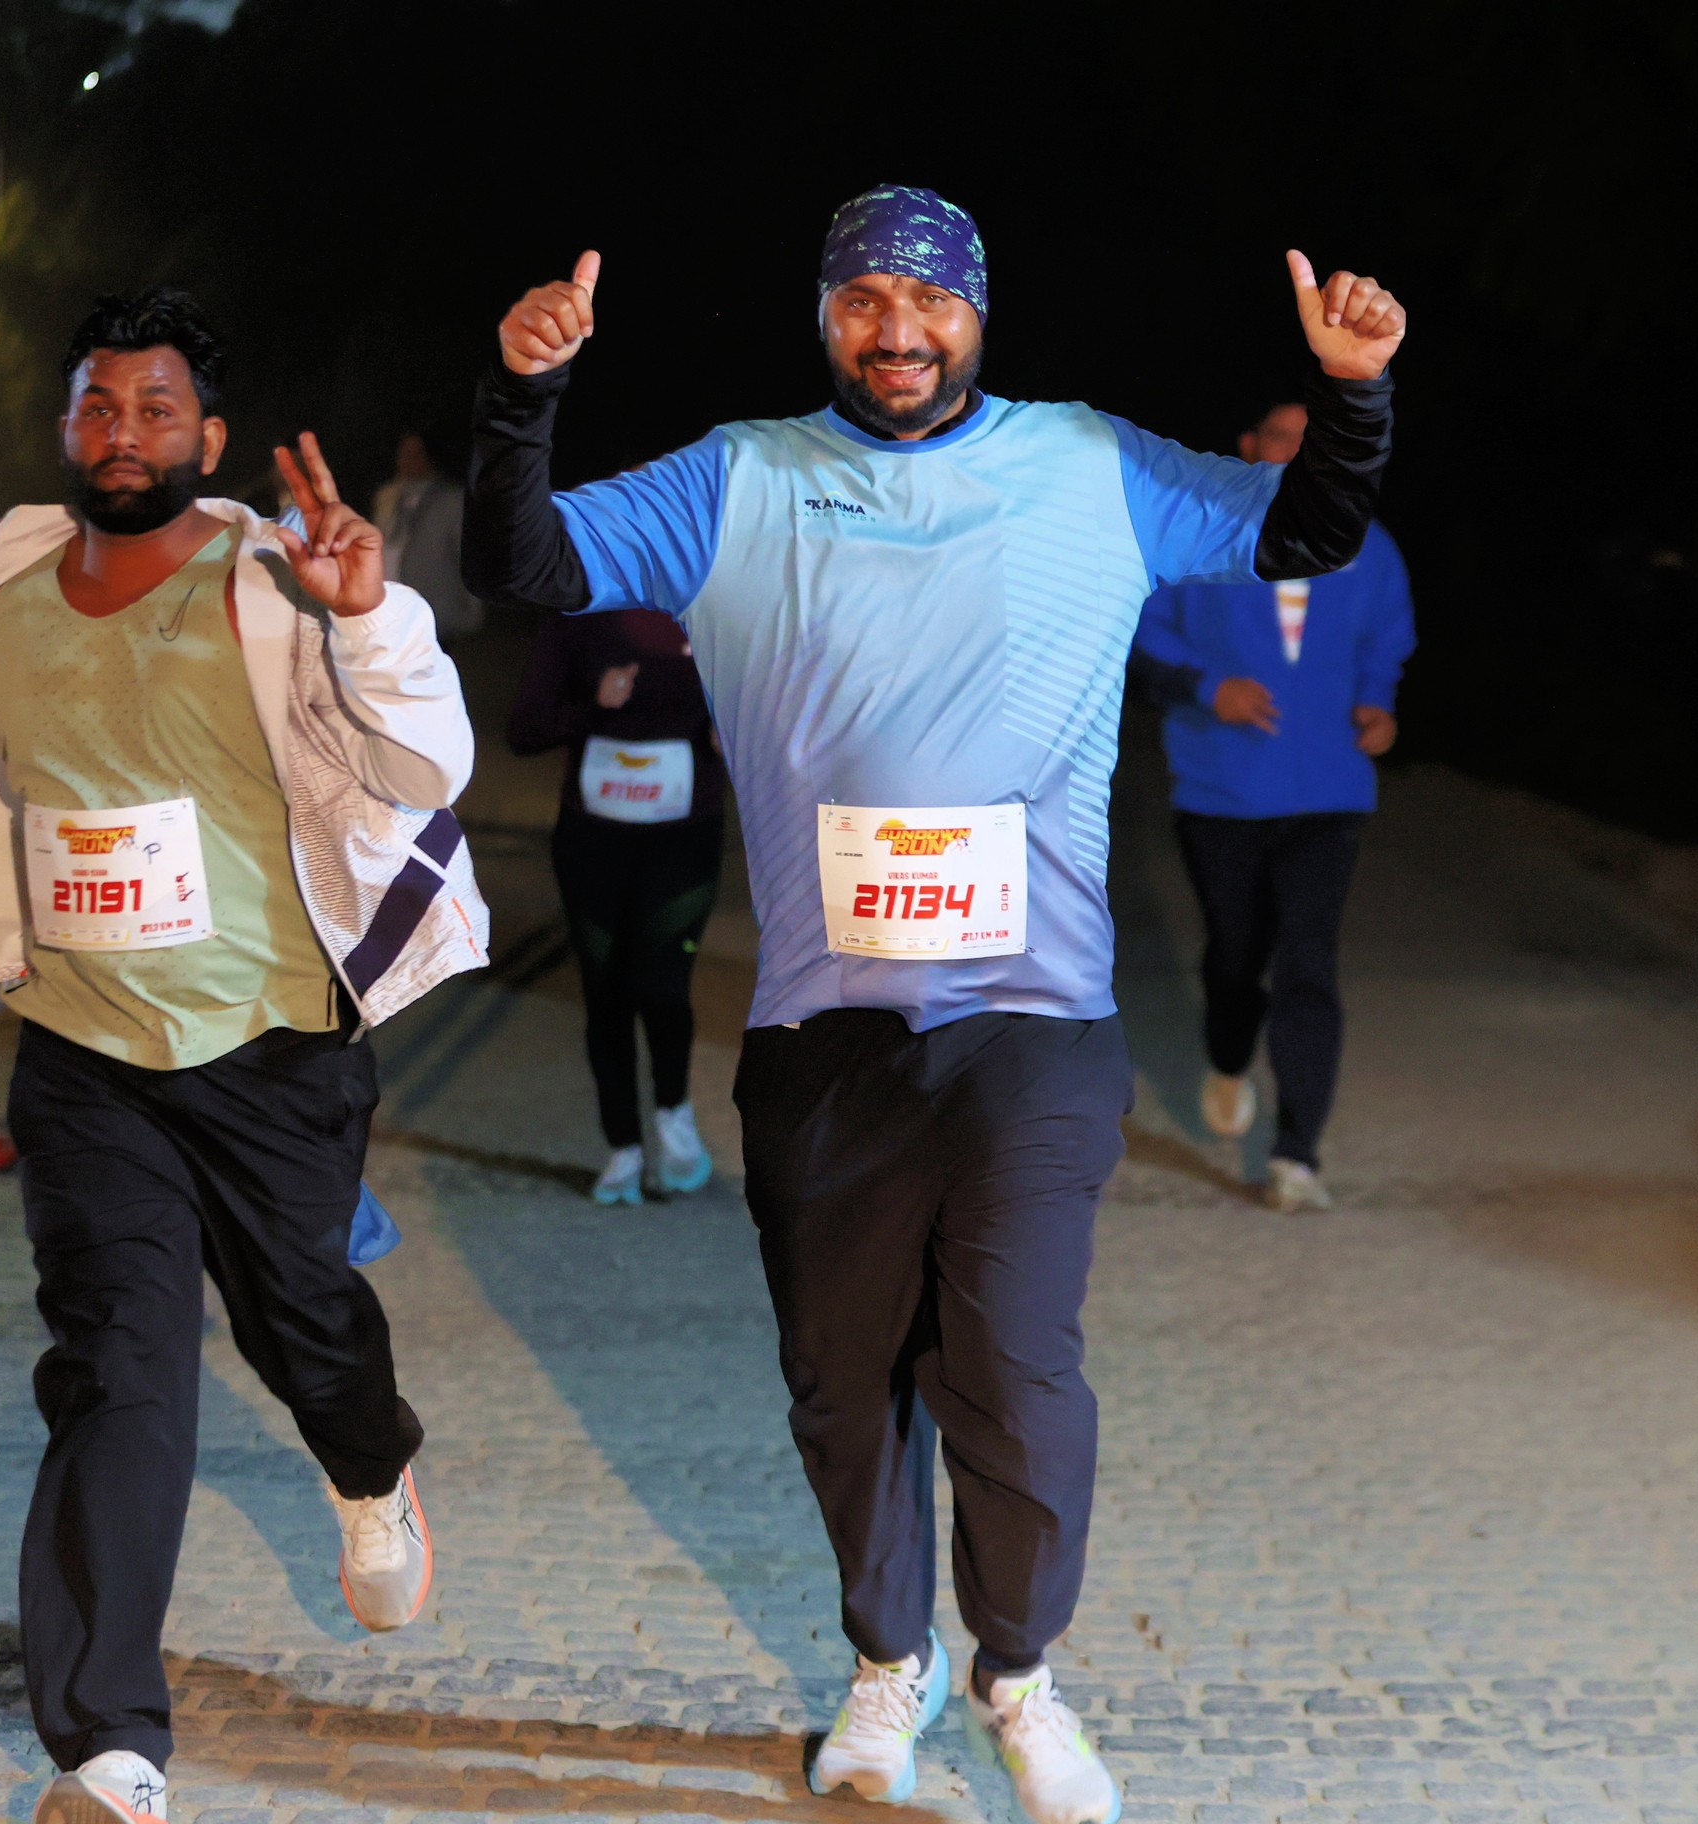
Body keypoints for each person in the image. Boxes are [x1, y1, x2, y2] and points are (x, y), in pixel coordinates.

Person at [465, 186, 1400, 1824]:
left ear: (979, 313)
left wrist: (1354, 393)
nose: (897, 330)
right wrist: (521, 395)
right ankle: (886, 1661)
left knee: (1017, 1373)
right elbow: (522, 560)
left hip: (1033, 1018)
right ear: (824, 317)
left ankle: (1017, 1672)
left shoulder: (1089, 462)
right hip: (821, 1030)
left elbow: (1304, 531)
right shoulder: (741, 477)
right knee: (842, 1384)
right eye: (863, 301)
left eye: (929, 301)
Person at [0, 289, 486, 1824]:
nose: (123, 433)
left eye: (156, 408)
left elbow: (429, 761)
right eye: (98, 406)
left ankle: (369, 1470)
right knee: (116, 1378)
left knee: (305, 1326)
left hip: (273, 1043)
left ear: (209, 438)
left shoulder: (280, 577)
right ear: (66, 427)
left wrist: (368, 617)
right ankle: (108, 1751)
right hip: (85, 1053)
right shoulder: (0, 587)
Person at [1128, 398, 1414, 1212]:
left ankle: (1296, 1154)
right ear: (1250, 446)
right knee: (1234, 956)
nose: (1297, 453)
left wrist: (1378, 704)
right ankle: (1227, 1058)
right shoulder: (1204, 538)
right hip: (1223, 789)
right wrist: (1207, 686)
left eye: (1311, 441)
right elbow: (1144, 632)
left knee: (1307, 960)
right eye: (1283, 438)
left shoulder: (1366, 544)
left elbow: (1384, 640)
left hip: (1329, 790)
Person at [506, 606, 724, 1203]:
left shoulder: (714, 610)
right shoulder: (579, 616)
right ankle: (623, 1145)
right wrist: (592, 705)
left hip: (682, 841)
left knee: (662, 983)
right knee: (606, 991)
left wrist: (733, 736)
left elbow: (772, 719)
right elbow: (524, 730)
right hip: (593, 843)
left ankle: (674, 1113)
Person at [371, 430, 481, 638]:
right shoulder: (387, 496)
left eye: (416, 454)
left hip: (431, 610)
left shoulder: (451, 499)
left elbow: (467, 556)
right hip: (387, 607)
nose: (408, 461)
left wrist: (471, 609)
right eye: (404, 454)